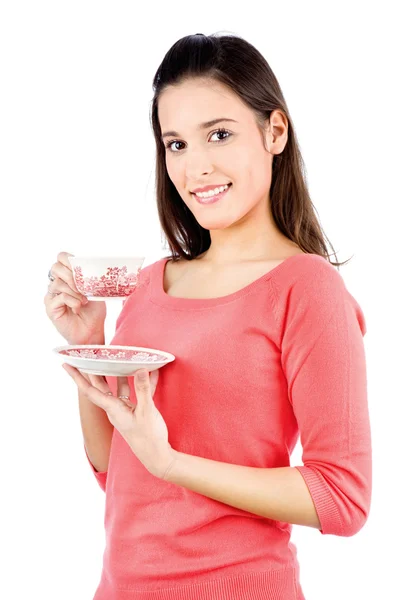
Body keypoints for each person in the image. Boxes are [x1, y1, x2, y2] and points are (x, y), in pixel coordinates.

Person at [44, 33, 372, 600]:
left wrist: (172, 463)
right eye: (176, 144)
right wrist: (90, 341)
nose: (196, 167)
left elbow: (342, 498)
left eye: (218, 134)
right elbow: (114, 471)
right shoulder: (151, 283)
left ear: (274, 132)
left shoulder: (307, 288)